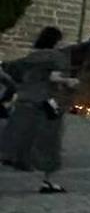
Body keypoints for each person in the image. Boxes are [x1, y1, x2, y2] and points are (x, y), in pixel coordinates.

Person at [0, 27, 80, 193]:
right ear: (56, 41)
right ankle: (48, 181)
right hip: (45, 104)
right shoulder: (57, 57)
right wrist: (70, 81)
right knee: (50, 143)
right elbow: (53, 77)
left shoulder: (31, 56)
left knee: (11, 141)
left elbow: (13, 71)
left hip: (24, 102)